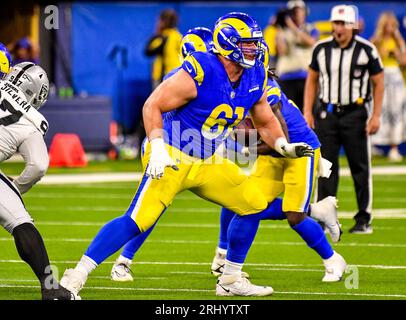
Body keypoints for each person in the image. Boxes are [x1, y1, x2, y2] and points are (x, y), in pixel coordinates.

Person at [60, 12, 314, 298]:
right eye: (247, 44)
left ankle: (230, 278)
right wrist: (156, 147)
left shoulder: (253, 74)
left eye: (254, 44)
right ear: (229, 44)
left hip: (207, 159)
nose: (255, 49)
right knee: (138, 219)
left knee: (253, 203)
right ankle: (75, 276)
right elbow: (152, 105)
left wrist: (283, 146)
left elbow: (265, 120)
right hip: (172, 152)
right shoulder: (202, 68)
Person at [110, 38, 345, 284]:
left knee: (293, 215)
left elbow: (278, 137)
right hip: (215, 149)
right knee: (244, 202)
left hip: (297, 150)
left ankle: (331, 257)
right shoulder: (198, 78)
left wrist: (241, 149)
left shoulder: (258, 84)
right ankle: (226, 260)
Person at [303, 4, 384, 234]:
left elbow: (379, 81)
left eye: (342, 24)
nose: (337, 28)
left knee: (360, 167)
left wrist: (376, 115)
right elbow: (312, 79)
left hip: (355, 114)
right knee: (326, 168)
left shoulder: (367, 50)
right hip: (326, 114)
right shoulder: (321, 49)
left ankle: (363, 218)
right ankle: (325, 217)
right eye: (335, 23)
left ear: (353, 26)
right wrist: (307, 111)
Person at [0, 62, 76, 300]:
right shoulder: (32, 119)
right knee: (21, 223)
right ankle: (51, 288)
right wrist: (17, 187)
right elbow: (38, 166)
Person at [370, 12, 406, 162]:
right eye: (387, 26)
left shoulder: (398, 42)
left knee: (396, 113)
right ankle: (373, 144)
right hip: (381, 78)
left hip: (396, 79)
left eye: (393, 26)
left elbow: (404, 62)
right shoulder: (376, 41)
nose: (390, 29)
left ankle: (394, 148)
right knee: (378, 110)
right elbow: (370, 57)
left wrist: (397, 51)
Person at [274, 0, 319, 112]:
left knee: (307, 112)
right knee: (287, 114)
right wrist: (279, 29)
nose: (297, 13)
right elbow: (282, 51)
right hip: (287, 78)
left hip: (306, 77)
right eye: (293, 11)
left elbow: (312, 42)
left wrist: (292, 27)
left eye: (299, 10)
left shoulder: (310, 28)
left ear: (305, 11)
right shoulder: (283, 31)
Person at [145, 9, 182, 89]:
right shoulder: (178, 36)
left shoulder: (162, 37)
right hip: (177, 75)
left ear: (163, 22)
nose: (157, 23)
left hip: (163, 77)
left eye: (159, 21)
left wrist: (157, 33)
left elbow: (147, 51)